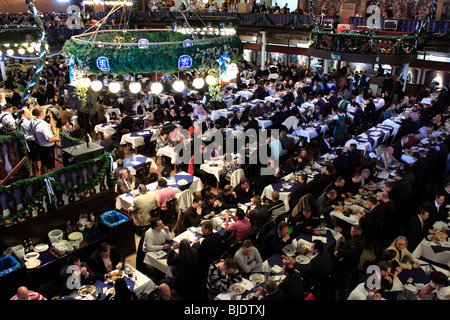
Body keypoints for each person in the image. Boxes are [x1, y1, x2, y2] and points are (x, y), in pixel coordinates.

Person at [30, 106, 60, 174]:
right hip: (47, 148)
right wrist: (57, 138)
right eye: (44, 113)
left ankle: (43, 177)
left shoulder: (32, 121)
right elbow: (49, 139)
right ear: (41, 114)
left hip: (40, 145)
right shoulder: (42, 125)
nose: (45, 114)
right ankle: (49, 180)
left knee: (44, 164)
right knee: (49, 166)